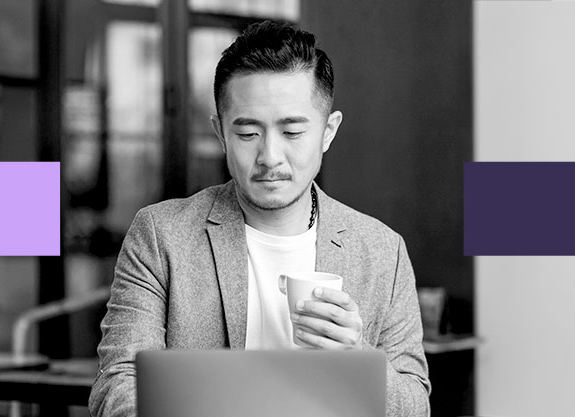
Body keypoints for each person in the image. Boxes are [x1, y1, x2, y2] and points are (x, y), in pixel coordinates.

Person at [89, 20, 430, 417]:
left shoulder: (382, 250)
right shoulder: (161, 236)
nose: (270, 156)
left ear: (328, 132)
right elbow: (117, 384)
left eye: (292, 131)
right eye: (248, 134)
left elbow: (415, 405)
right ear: (220, 134)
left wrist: (356, 360)